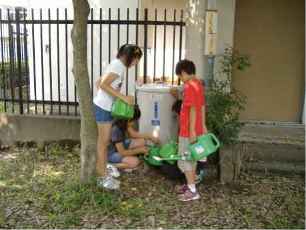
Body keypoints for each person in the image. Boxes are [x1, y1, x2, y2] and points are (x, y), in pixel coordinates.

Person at [94, 44, 142, 190]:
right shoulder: (118, 66)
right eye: (136, 59)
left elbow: (98, 82)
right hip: (103, 109)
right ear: (129, 57)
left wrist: (113, 99)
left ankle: (102, 172)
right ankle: (102, 178)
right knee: (103, 144)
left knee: (103, 143)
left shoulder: (116, 65)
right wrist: (122, 98)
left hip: (104, 107)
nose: (136, 63)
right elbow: (102, 84)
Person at [172, 59, 208, 201]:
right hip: (197, 128)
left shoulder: (189, 86)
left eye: (180, 76)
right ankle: (190, 185)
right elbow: (202, 106)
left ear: (183, 72)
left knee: (185, 160)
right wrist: (203, 125)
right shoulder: (198, 84)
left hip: (188, 130)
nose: (181, 79)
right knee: (192, 159)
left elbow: (193, 108)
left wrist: (192, 130)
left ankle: (192, 191)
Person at [107, 105, 160, 172]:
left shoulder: (124, 121)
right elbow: (122, 152)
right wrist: (140, 150)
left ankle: (127, 160)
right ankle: (110, 165)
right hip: (111, 154)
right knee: (135, 162)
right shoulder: (116, 130)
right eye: (134, 121)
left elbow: (133, 134)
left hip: (119, 147)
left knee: (142, 141)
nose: (134, 123)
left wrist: (150, 136)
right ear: (129, 119)